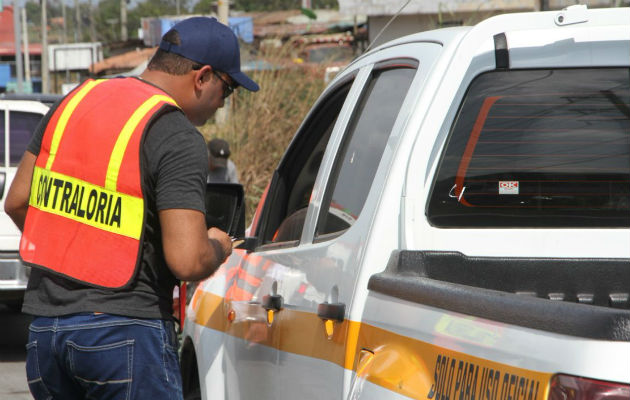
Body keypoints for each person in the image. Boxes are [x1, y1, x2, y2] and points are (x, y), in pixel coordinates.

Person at [4, 17, 258, 400]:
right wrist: (218, 246)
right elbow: (188, 260)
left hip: (46, 335)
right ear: (202, 77)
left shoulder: (74, 102)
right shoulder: (176, 134)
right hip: (124, 334)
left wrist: (81, 252)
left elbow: (18, 201)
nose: (224, 101)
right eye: (229, 88)